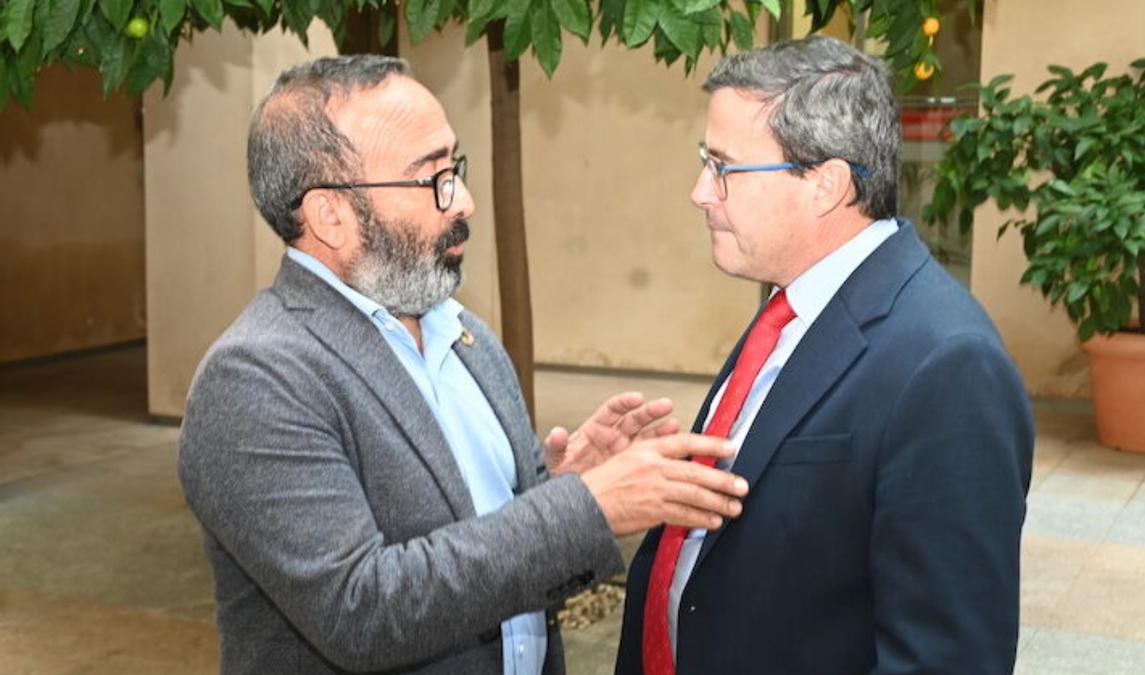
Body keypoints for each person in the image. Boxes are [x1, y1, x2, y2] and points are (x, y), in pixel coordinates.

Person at [177, 54, 750, 675]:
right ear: (329, 215)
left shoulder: (464, 336)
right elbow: (361, 612)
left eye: (457, 167)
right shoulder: (256, 377)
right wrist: (586, 507)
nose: (465, 202)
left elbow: (494, 548)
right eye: (433, 180)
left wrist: (559, 489)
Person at [615, 36, 1035, 675]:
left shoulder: (949, 367)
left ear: (826, 185)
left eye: (724, 167)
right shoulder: (796, 301)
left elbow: (947, 659)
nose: (701, 191)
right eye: (706, 161)